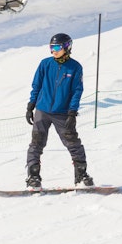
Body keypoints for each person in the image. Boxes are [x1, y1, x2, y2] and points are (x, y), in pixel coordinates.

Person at [25, 33, 92, 188]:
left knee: (73, 143)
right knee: (36, 143)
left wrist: (72, 112)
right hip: (43, 110)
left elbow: (77, 90)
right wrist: (31, 105)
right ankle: (33, 177)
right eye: (51, 47)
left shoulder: (75, 67)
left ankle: (81, 175)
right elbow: (37, 85)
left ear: (66, 47)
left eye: (56, 47)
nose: (53, 50)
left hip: (62, 112)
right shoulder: (45, 64)